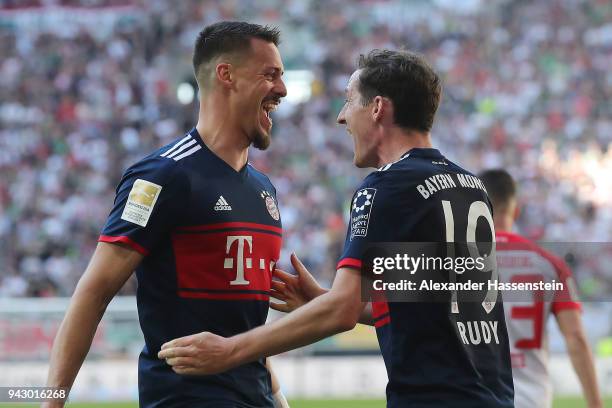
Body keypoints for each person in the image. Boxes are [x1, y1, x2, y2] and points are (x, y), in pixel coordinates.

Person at [158, 49, 515, 407]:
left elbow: (342, 311)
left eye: (348, 102)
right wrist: (321, 298)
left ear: (377, 108)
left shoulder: (387, 187)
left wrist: (229, 351)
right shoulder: (470, 186)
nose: (342, 117)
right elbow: (426, 311)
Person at [44, 21, 290, 408]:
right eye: (270, 75)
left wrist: (279, 400)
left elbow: (247, 321)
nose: (282, 89)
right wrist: (51, 402)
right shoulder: (162, 176)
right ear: (226, 75)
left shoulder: (264, 190)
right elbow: (93, 293)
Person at [478, 169, 602, 408]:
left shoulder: (455, 266)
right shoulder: (549, 264)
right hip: (532, 399)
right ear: (516, 211)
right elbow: (575, 338)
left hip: (476, 397)